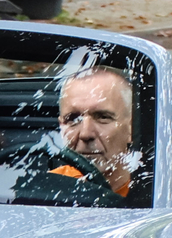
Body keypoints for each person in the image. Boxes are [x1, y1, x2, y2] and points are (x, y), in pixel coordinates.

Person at [52, 67, 139, 200]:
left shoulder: (154, 195)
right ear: (61, 126)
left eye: (103, 117)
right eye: (73, 119)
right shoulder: (44, 188)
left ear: (131, 128)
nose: (85, 134)